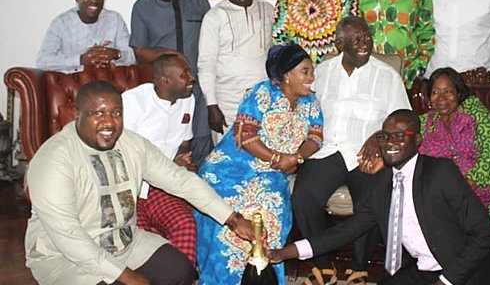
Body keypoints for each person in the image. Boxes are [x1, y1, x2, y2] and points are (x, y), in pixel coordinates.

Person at [25, 80, 254, 285]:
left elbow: (180, 180)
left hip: (124, 243)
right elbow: (68, 236)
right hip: (64, 256)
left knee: (180, 272)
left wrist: (233, 218)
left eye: (116, 113)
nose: (109, 123)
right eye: (98, 113)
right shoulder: (53, 160)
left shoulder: (132, 145)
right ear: (78, 114)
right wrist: (128, 276)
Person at [270, 109, 490, 285]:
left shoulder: (440, 172)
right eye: (384, 136)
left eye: (400, 135)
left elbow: (485, 234)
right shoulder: (382, 185)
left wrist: (447, 281)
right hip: (421, 272)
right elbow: (344, 232)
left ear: (417, 140)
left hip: (466, 273)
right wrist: (284, 252)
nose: (390, 143)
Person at [291, 16, 411, 285]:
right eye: (356, 39)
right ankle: (322, 264)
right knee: (303, 196)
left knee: (372, 198)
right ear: (339, 43)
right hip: (327, 150)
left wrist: (379, 137)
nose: (365, 44)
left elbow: (403, 120)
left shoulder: (387, 76)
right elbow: (305, 112)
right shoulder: (320, 72)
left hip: (366, 154)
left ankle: (359, 266)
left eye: (367, 37)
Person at [194, 43, 323, 285]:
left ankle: (262, 278)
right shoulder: (262, 93)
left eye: (311, 72)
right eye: (305, 72)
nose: (311, 77)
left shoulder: (310, 102)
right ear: (287, 76)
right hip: (230, 168)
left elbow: (316, 137)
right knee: (224, 210)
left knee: (270, 209)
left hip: (272, 173)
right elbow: (246, 136)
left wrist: (296, 158)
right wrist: (278, 158)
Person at [417, 67, 490, 283]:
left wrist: (467, 184)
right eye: (435, 92)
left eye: (448, 92)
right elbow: (400, 135)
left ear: (459, 93)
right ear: (429, 98)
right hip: (450, 197)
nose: (442, 98)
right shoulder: (425, 123)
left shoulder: (476, 113)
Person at [130, 0, 212, 165]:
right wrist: (170, 55)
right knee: (168, 144)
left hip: (197, 86)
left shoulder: (199, 1)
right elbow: (139, 52)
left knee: (201, 143)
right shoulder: (142, 7)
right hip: (165, 91)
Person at [121, 53, 198, 265]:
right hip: (131, 187)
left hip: (162, 186)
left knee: (185, 225)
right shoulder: (133, 102)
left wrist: (183, 162)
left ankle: (181, 278)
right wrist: (171, 165)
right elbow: (121, 154)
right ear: (165, 81)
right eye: (184, 75)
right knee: (141, 239)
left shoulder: (187, 100)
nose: (192, 78)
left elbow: (184, 143)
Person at [197, 0, 273, 144]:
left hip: (263, 99)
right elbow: (206, 65)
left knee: (262, 155)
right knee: (228, 158)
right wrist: (212, 105)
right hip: (227, 103)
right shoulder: (214, 16)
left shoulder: (269, 10)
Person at [37, 0, 135, 73]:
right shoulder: (61, 23)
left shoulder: (115, 19)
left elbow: (132, 56)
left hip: (108, 81)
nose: (93, 0)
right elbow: (43, 61)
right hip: (76, 84)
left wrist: (116, 54)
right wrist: (80, 60)